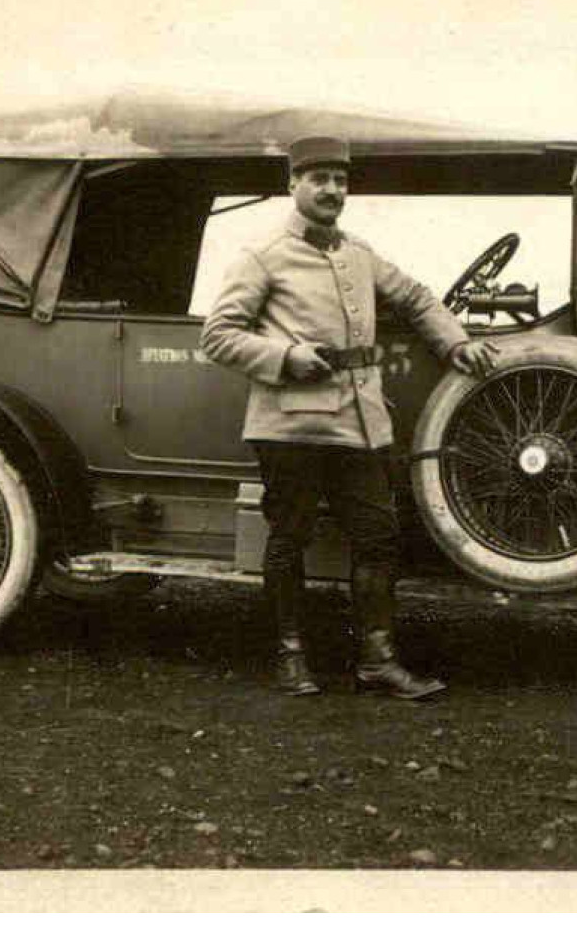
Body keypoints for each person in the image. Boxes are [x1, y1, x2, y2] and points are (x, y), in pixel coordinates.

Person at [201, 136, 498, 699]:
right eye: (320, 180)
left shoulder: (359, 253)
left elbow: (414, 298)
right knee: (289, 538)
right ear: (294, 185)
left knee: (380, 539)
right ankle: (291, 658)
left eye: (340, 181)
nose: (333, 190)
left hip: (360, 426)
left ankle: (377, 662)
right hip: (291, 426)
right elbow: (218, 336)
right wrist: (286, 357)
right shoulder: (263, 257)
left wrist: (455, 344)